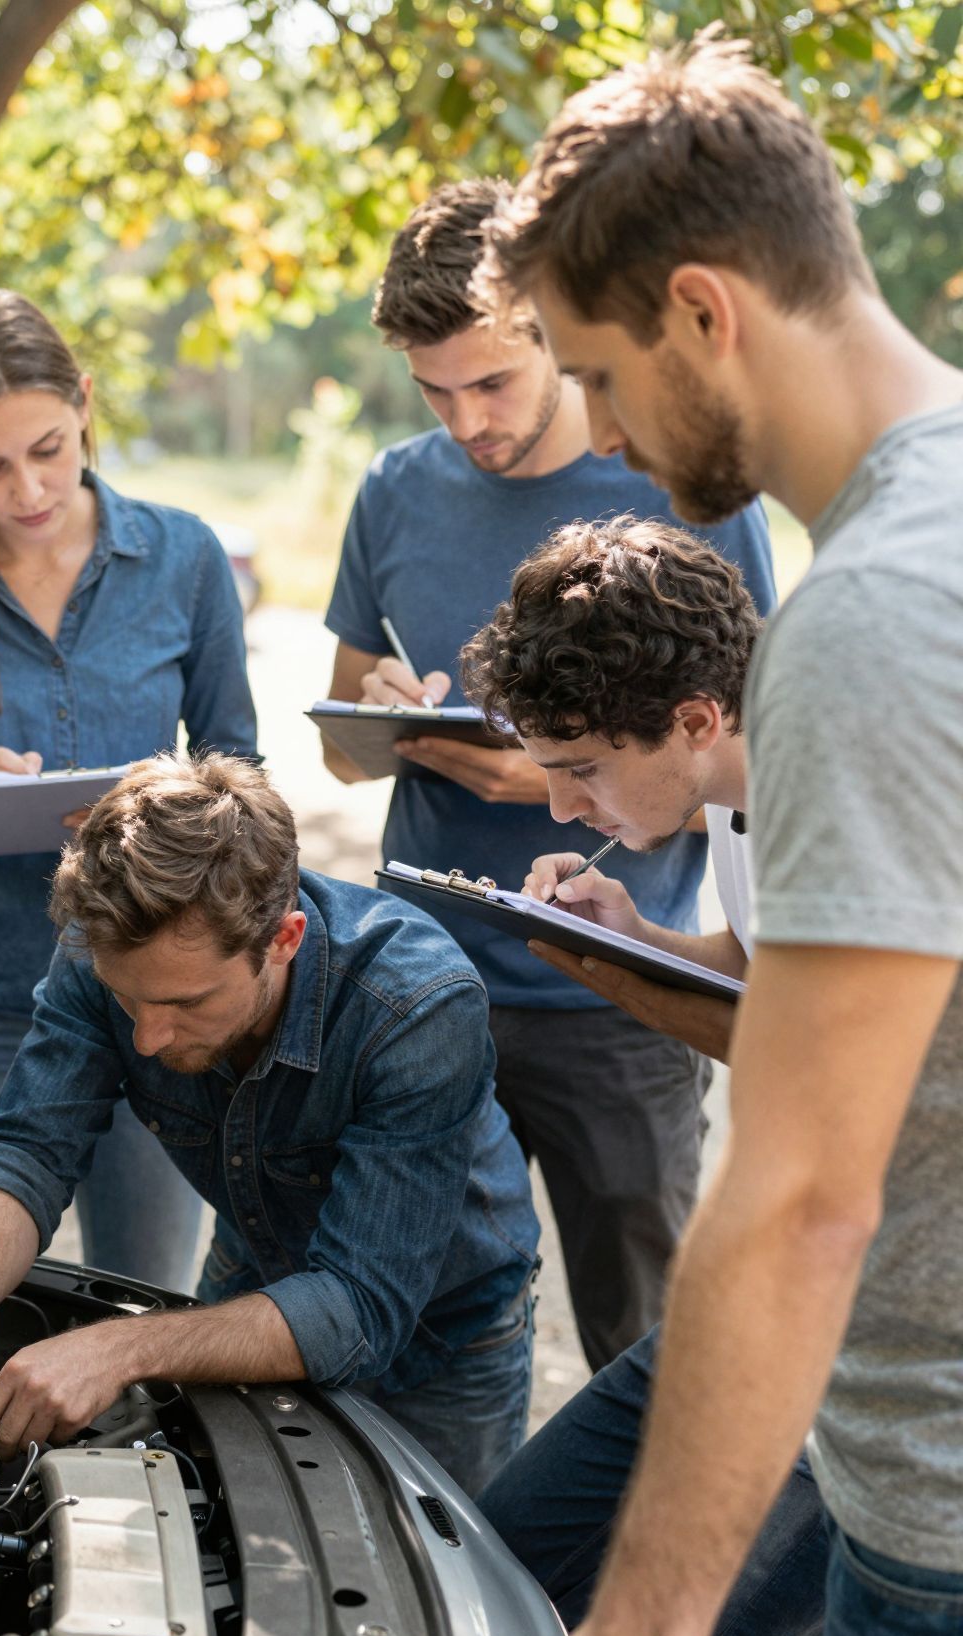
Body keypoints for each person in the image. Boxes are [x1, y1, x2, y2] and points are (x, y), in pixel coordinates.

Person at [471, 38, 963, 1636]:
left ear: (704, 310)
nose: (592, 421)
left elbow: (802, 1193)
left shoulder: (868, 620)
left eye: (591, 372)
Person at [321, 179, 777, 1375]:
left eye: (493, 382)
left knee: (647, 1332)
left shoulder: (682, 483)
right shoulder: (393, 491)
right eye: (435, 390)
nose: (467, 420)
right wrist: (380, 719)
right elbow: (335, 732)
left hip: (623, 992)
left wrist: (548, 780)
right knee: (428, 1315)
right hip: (425, 974)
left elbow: (744, 735)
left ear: (553, 340)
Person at [459, 515, 828, 1636]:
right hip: (747, 1326)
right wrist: (627, 933)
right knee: (504, 1562)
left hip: (868, 1355)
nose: (559, 805)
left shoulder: (837, 794)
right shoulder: (735, 785)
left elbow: (801, 1051)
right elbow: (746, 973)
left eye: (581, 772)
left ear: (693, 717)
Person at [0, 753, 540, 1498]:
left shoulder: (417, 1006)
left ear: (283, 939)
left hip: (443, 1333)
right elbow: (26, 1146)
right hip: (255, 1262)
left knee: (432, 1588)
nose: (149, 1039)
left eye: (187, 1005)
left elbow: (359, 1306)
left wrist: (119, 1350)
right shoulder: (109, 952)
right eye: (132, 1001)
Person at [0, 290, 257, 1295]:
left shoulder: (183, 557)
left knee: (145, 1305)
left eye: (51, 449)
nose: (28, 488)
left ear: (85, 404)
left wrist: (172, 807)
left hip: (154, 1008)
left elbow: (243, 768)